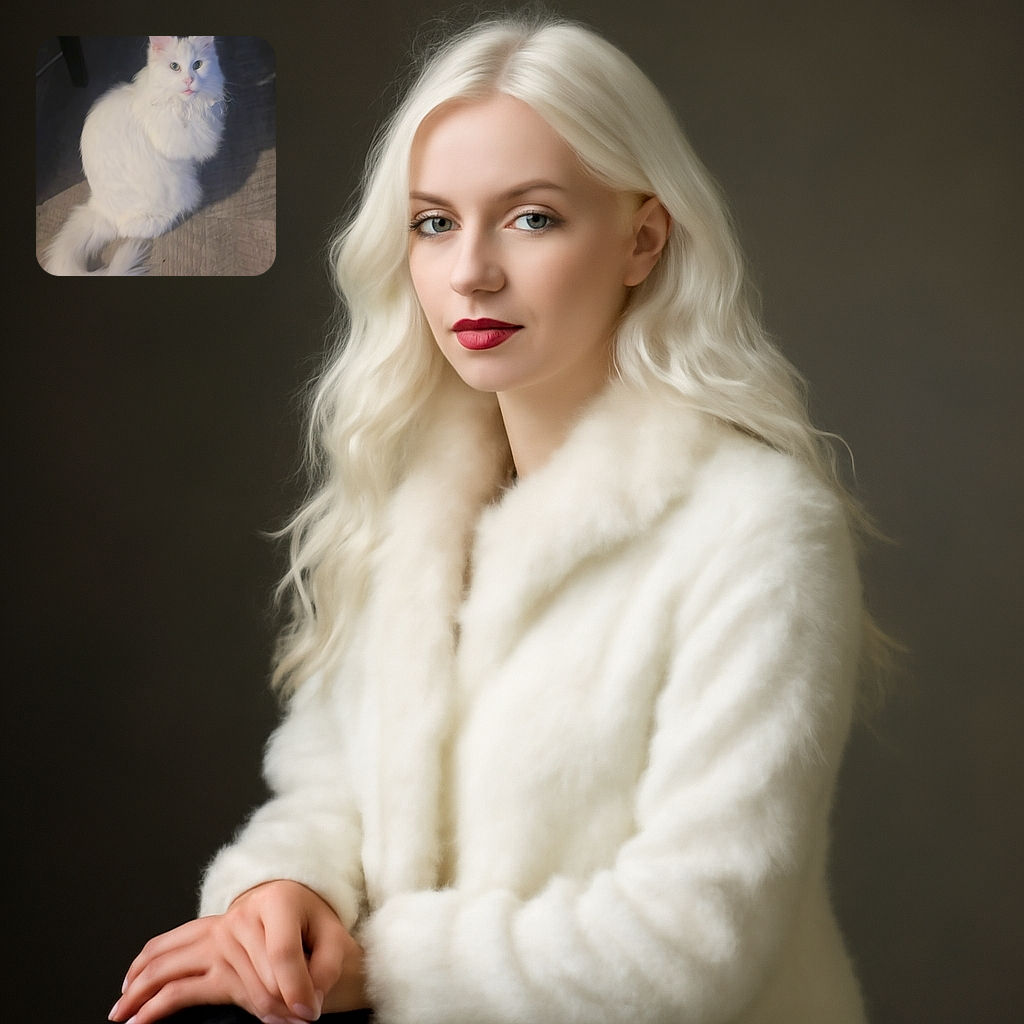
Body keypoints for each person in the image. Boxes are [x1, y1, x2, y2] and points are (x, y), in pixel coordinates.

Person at [111, 15, 884, 1024]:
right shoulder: (416, 509)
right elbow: (333, 783)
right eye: (434, 222)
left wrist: (377, 967)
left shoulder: (756, 532)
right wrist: (281, 892)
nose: (470, 270)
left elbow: (692, 941)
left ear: (642, 239)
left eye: (529, 218)